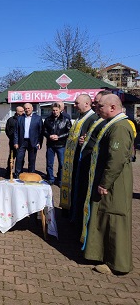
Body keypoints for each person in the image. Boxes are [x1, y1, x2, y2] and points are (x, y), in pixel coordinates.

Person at [81, 94, 134, 275]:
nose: (98, 108)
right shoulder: (112, 124)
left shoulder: (119, 127)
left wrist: (105, 182)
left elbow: (116, 159)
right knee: (105, 217)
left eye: (101, 106)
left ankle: (116, 263)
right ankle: (103, 256)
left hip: (114, 184)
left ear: (112, 107)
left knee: (115, 220)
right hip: (110, 182)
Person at [60, 94, 98, 227]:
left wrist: (86, 141)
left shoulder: (92, 118)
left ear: (87, 104)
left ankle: (76, 216)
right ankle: (71, 212)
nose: (75, 106)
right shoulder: (80, 117)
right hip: (73, 160)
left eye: (77, 103)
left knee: (80, 190)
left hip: (82, 161)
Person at [42, 102, 72, 185]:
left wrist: (59, 136)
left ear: (60, 110)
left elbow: (69, 132)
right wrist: (49, 136)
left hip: (61, 145)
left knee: (62, 164)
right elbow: (44, 131)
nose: (55, 112)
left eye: (56, 110)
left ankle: (60, 179)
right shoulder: (47, 120)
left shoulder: (66, 120)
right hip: (50, 145)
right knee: (49, 163)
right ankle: (50, 178)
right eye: (53, 110)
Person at [13, 103, 43, 177]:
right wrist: (16, 142)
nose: (27, 110)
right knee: (19, 159)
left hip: (33, 142)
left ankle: (31, 175)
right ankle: (17, 175)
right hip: (22, 142)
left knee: (32, 160)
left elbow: (41, 132)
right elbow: (16, 131)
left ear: (32, 108)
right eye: (25, 108)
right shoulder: (20, 118)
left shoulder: (38, 118)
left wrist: (39, 142)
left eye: (28, 108)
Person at [5, 106, 25, 178]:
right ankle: (9, 171)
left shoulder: (24, 119)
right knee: (11, 157)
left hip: (22, 142)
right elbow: (7, 130)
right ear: (16, 112)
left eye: (23, 111)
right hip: (13, 142)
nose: (23, 112)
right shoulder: (11, 120)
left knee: (21, 158)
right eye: (21, 111)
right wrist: (13, 138)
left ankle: (20, 171)